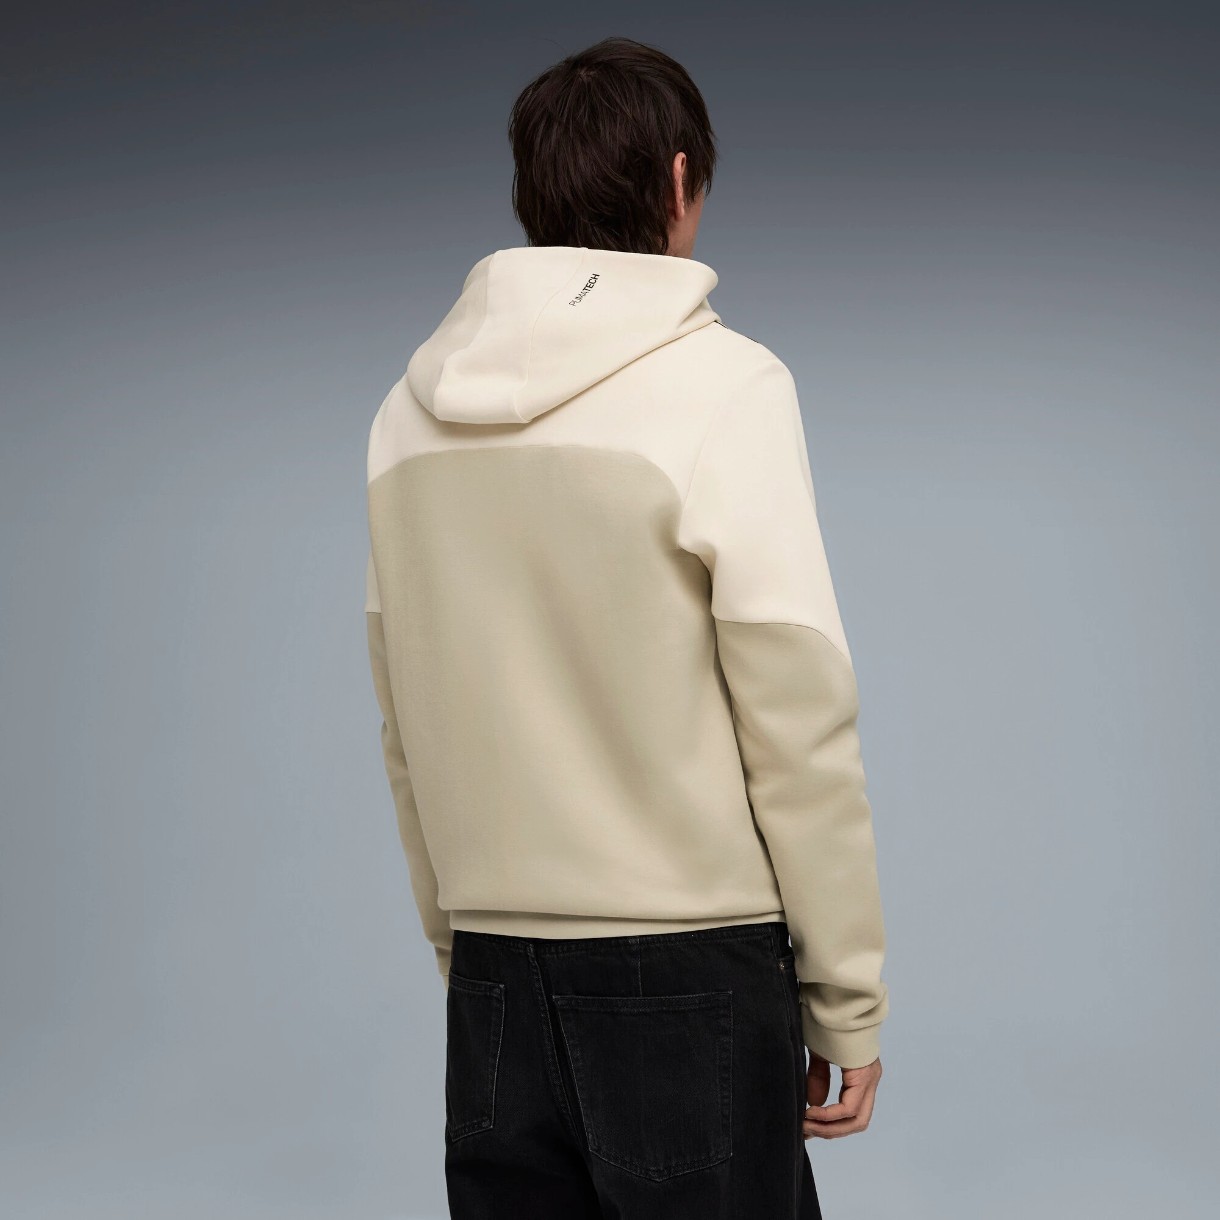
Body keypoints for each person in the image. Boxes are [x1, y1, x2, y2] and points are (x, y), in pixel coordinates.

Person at [364, 34, 889, 1219]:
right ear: (679, 179)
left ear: (532, 193)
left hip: (494, 964)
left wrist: (464, 949)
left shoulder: (404, 415)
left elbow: (404, 720)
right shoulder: (726, 388)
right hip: (690, 961)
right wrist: (845, 998)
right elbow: (796, 716)